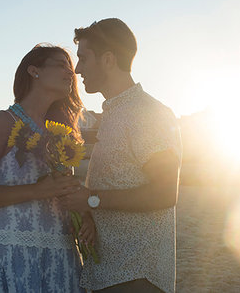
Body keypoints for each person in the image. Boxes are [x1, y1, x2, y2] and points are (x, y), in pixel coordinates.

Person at [58, 18, 182, 293]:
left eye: (84, 58)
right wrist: (88, 208)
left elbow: (164, 193)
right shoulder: (116, 113)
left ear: (108, 59)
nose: (78, 69)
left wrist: (90, 198)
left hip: (137, 277)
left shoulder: (147, 113)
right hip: (112, 274)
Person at [0, 44, 86, 292]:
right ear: (34, 70)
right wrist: (37, 190)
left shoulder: (62, 131)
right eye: (62, 65)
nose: (70, 73)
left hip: (62, 256)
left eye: (70, 68)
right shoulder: (1, 122)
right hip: (14, 253)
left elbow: (62, 194)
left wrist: (84, 215)